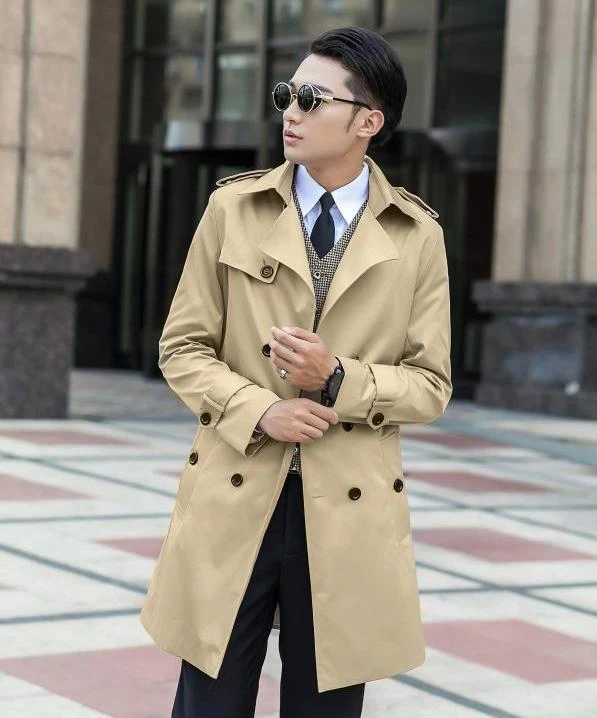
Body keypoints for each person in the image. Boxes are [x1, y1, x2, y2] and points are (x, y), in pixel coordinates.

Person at [140, 25, 452, 718]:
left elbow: (431, 386)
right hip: (234, 490)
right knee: (210, 702)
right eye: (287, 94)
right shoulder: (232, 208)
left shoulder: (416, 235)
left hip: (348, 508)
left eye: (312, 99)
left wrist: (338, 377)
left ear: (368, 122)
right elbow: (183, 347)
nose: (290, 111)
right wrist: (261, 410)